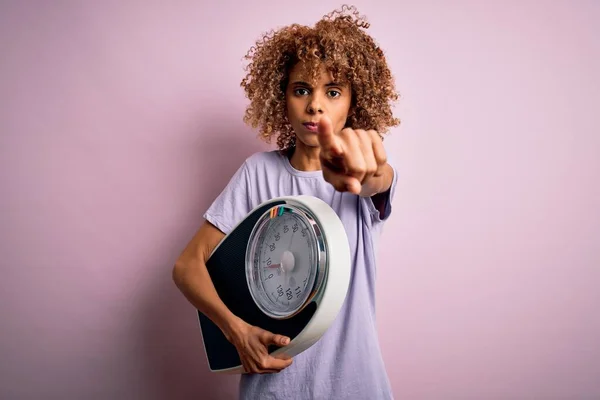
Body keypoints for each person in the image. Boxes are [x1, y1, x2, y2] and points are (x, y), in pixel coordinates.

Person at [173, 5, 400, 399]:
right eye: (301, 90)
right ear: (283, 98)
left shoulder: (363, 172)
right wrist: (236, 331)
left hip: (355, 386)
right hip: (274, 389)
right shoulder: (257, 173)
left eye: (332, 91)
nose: (315, 105)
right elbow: (186, 266)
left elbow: (377, 180)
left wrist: (366, 171)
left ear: (353, 102)